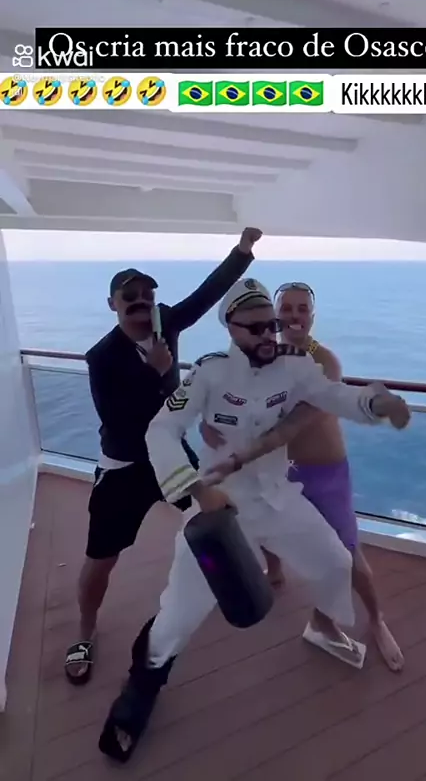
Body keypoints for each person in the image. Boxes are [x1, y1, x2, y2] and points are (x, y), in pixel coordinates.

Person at [97, 277, 410, 762]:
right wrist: (196, 488)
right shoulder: (209, 373)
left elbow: (335, 395)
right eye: (257, 327)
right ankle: (143, 684)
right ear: (231, 327)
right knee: (178, 615)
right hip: (219, 512)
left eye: (273, 325)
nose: (270, 334)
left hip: (279, 501)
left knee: (335, 563)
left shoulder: (295, 365)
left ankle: (322, 626)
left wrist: (375, 403)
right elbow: (161, 429)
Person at [64, 228, 262, 685]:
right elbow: (118, 422)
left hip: (170, 454)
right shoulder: (102, 358)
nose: (141, 301)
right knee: (101, 558)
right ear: (113, 304)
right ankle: (85, 631)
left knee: (216, 517)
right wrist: (156, 374)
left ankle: (222, 582)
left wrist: (242, 252)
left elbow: (206, 295)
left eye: (147, 295)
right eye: (129, 296)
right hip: (126, 467)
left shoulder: (166, 322)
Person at [201, 281, 404, 672]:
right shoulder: (262, 359)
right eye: (287, 309)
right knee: (265, 525)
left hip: (325, 474)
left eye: (302, 309)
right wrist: (208, 422)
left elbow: (292, 422)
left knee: (347, 553)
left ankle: (374, 619)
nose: (294, 316)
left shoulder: (324, 362)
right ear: (275, 315)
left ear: (312, 316)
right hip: (279, 469)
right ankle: (276, 574)